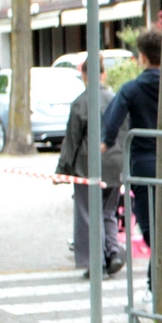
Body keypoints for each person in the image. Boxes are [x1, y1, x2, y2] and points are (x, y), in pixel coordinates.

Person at [101, 26, 162, 251]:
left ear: (142, 57)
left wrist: (106, 142)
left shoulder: (132, 89)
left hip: (145, 166)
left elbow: (111, 121)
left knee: (151, 230)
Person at [55, 56, 124, 277]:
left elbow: (72, 141)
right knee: (108, 212)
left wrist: (62, 171)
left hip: (88, 167)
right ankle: (113, 252)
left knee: (88, 214)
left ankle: (97, 263)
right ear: (103, 74)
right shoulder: (115, 99)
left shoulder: (80, 103)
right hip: (115, 165)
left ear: (84, 75)